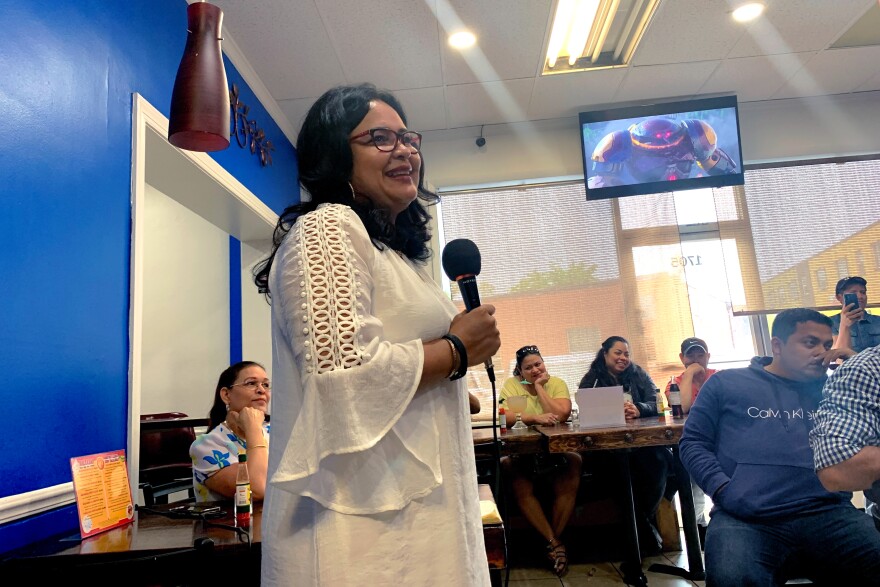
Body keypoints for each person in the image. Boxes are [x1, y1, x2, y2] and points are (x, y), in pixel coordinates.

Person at [253, 83, 501, 586]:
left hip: (416, 509)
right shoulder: (329, 226)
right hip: (357, 528)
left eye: (408, 137)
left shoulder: (393, 251)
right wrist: (456, 351)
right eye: (381, 138)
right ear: (334, 154)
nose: (406, 149)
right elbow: (343, 376)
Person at [680, 308, 880, 586]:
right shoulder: (726, 383)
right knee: (733, 578)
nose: (821, 352)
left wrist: (860, 369)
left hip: (828, 512)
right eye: (810, 343)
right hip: (745, 516)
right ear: (777, 345)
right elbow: (692, 443)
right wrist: (723, 489)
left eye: (826, 344)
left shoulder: (837, 389)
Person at [578, 336, 670, 554]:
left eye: (626, 354)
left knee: (660, 459)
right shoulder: (592, 378)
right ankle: (644, 529)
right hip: (606, 449)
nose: (623, 358)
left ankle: (640, 525)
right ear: (605, 354)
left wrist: (639, 409)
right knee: (615, 470)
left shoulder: (638, 374)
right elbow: (584, 409)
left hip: (641, 445)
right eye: (618, 353)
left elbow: (656, 402)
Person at [500, 345, 582, 577]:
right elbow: (504, 416)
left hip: (556, 450)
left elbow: (561, 415)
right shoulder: (511, 385)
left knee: (574, 461)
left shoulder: (556, 383)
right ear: (520, 370)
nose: (535, 369)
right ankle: (556, 544)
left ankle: (551, 544)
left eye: (538, 364)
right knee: (510, 467)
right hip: (523, 451)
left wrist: (539, 388)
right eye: (529, 367)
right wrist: (533, 417)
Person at [811, 344, 880, 530]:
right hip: (820, 504)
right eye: (810, 342)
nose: (820, 352)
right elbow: (836, 469)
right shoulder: (864, 369)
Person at [189, 361, 271, 502]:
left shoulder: (275, 433)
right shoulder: (206, 446)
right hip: (228, 523)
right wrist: (253, 428)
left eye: (266, 385)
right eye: (251, 383)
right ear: (226, 395)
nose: (262, 390)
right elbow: (256, 489)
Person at [665, 337, 718, 545]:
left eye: (700, 354)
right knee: (691, 471)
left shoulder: (719, 378)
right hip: (692, 441)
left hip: (722, 439)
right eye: (690, 355)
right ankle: (699, 527)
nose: (696, 359)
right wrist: (689, 375)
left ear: (708, 356)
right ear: (682, 358)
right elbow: (682, 408)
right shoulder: (674, 384)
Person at [831, 276, 880, 353]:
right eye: (853, 293)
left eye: (863, 292)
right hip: (848, 365)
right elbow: (837, 357)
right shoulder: (830, 323)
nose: (860, 296)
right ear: (839, 297)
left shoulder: (878, 321)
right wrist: (844, 325)